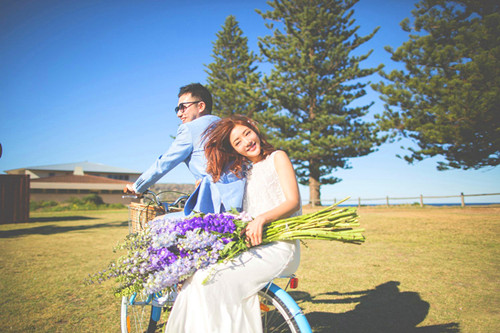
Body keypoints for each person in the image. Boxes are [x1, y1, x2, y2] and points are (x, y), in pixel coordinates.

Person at [165, 115, 301, 333]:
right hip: (255, 247)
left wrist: (262, 219)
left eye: (247, 133)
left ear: (254, 129)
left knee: (216, 281)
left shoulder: (278, 157)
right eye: (237, 142)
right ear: (235, 150)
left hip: (280, 246)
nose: (246, 142)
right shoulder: (244, 172)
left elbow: (293, 201)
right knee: (197, 278)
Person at [124, 83, 244, 214]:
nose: (179, 114)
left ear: (201, 106)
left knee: (158, 224)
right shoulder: (226, 126)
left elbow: (165, 163)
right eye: (177, 109)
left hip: (214, 205)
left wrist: (137, 187)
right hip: (240, 201)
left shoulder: (190, 129)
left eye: (183, 107)